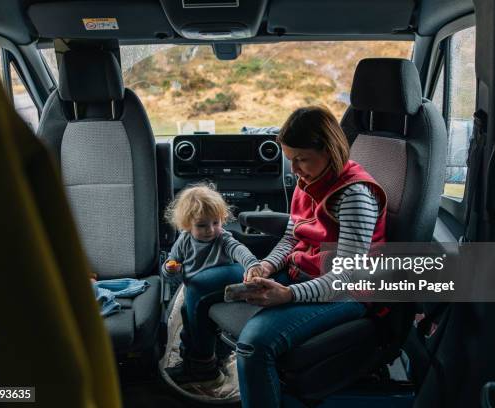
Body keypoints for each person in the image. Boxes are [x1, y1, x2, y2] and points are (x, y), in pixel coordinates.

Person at [166, 106, 387, 408]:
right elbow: (293, 236)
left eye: (301, 159)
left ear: (329, 149)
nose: (294, 169)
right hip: (300, 272)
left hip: (345, 292)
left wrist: (288, 295)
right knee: (199, 284)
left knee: (254, 344)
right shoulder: (308, 181)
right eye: (290, 160)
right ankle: (201, 365)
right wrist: (267, 265)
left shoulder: (354, 194)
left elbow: (348, 277)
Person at [163, 184, 264, 386]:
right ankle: (200, 356)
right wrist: (170, 269)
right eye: (201, 225)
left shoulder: (223, 237)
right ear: (187, 225)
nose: (210, 230)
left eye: (216, 222)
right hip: (198, 289)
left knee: (200, 305)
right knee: (189, 317)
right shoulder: (183, 241)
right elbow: (171, 263)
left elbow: (238, 249)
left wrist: (252, 264)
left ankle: (205, 366)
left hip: (225, 281)